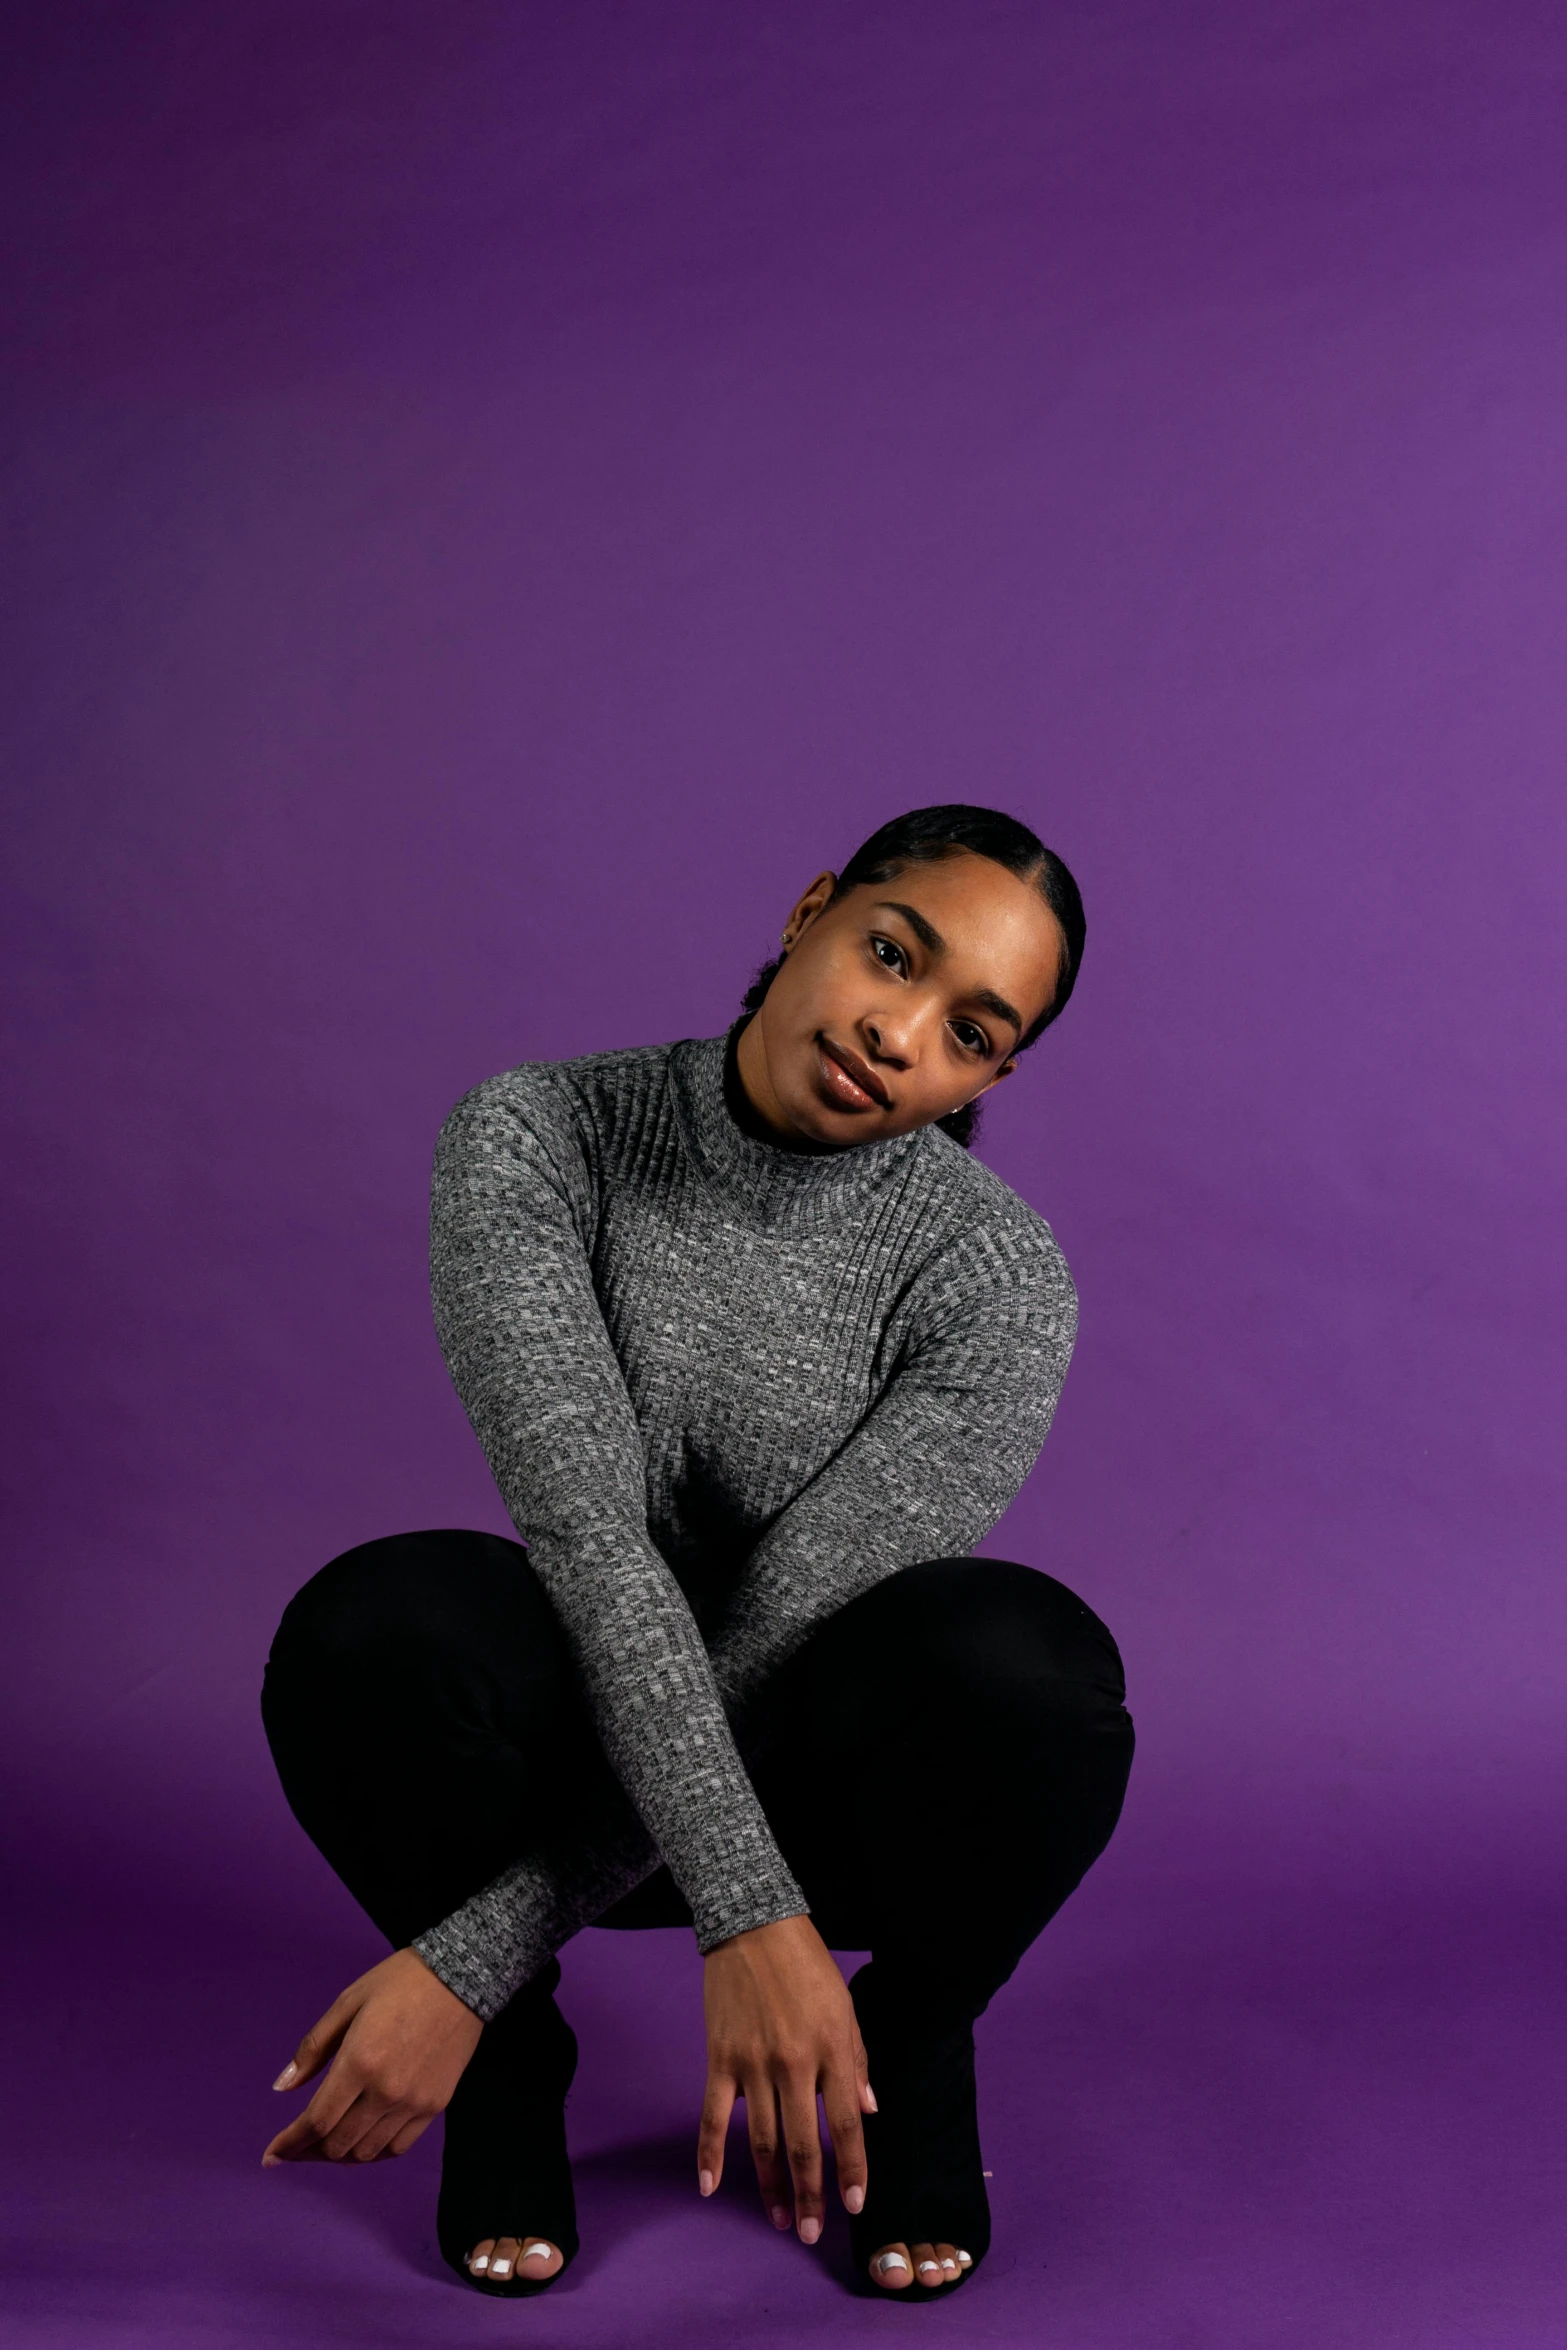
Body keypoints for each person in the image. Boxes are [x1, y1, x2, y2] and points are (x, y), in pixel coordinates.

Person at [259, 803, 1134, 2299]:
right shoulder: (539, 1136)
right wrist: (557, 1952)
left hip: (822, 1784)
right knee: (372, 1625)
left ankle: (908, 2047)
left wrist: (497, 1945)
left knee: (1031, 1669)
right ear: (809, 910)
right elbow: (591, 1538)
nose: (896, 1027)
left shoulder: (994, 1276)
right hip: (582, 1729)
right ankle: (511, 2062)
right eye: (890, 951)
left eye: (969, 1027)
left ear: (988, 1074)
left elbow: (791, 1629)